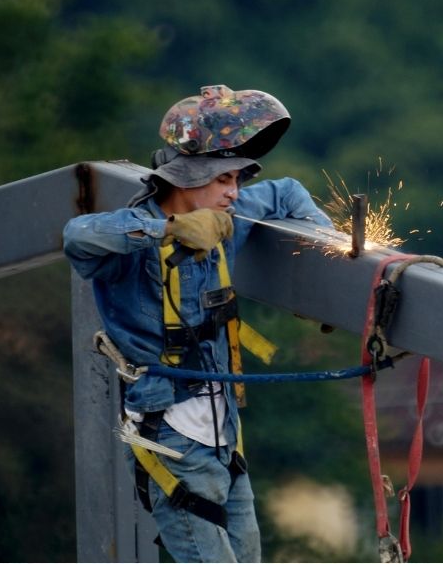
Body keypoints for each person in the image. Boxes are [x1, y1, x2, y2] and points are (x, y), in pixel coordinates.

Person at [63, 85, 331, 562]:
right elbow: (79, 235)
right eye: (224, 179)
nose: (235, 192)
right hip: (172, 442)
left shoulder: (227, 214)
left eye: (237, 179)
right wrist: (167, 230)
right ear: (186, 179)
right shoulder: (133, 240)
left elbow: (287, 192)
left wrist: (328, 253)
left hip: (226, 439)